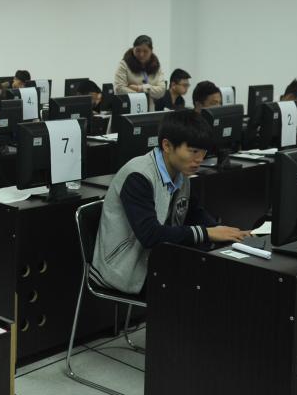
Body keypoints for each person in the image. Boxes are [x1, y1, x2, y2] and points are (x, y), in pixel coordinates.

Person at [92, 109, 250, 294]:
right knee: (205, 285)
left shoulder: (180, 174)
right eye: (193, 151)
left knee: (221, 274)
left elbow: (194, 212)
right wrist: (208, 233)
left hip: (156, 259)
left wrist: (230, 234)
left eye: (203, 152)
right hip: (122, 268)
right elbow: (150, 235)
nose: (199, 159)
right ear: (167, 146)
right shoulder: (138, 176)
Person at [114, 35, 167, 109]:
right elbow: (119, 89)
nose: (141, 54)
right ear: (133, 49)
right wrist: (144, 97)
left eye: (145, 51)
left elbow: (161, 90)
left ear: (151, 51)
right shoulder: (124, 64)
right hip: (129, 109)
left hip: (149, 111)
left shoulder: (156, 66)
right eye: (138, 50)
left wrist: (140, 88)